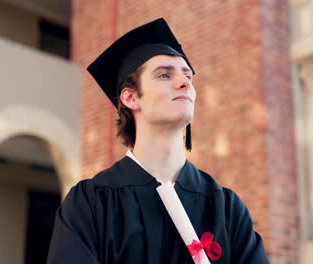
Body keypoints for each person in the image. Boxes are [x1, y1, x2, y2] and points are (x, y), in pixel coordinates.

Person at [47, 18, 270, 264]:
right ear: (131, 98)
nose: (185, 82)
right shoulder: (91, 204)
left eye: (188, 76)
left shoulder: (225, 208)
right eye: (164, 75)